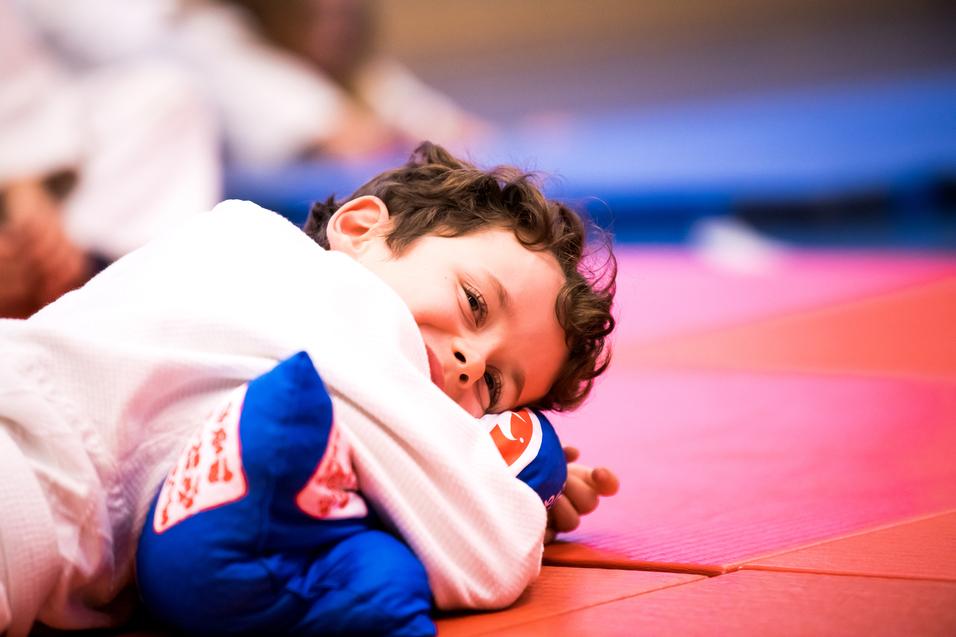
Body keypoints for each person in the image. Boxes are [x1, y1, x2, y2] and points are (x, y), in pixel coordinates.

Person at [0, 142, 616, 635]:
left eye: (493, 387)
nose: (466, 361)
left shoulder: (233, 246)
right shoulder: (338, 306)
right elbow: (490, 552)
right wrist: (513, 475)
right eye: (474, 302)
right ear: (363, 227)